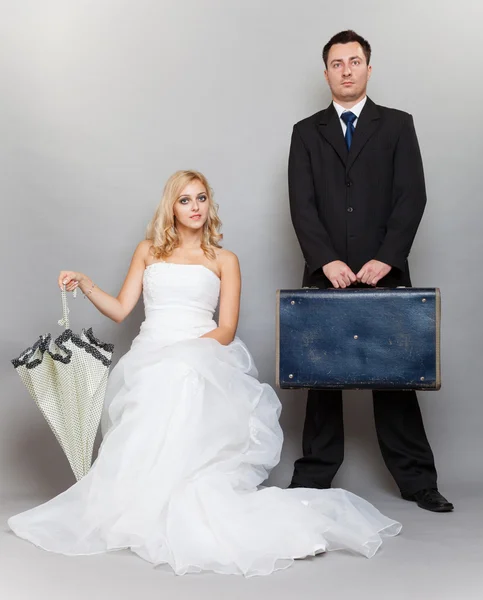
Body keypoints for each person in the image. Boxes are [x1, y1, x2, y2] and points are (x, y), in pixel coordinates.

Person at [8, 170, 401, 577]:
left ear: (209, 204)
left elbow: (226, 328)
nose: (194, 208)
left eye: (201, 199)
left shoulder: (224, 260)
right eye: (184, 200)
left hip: (202, 352)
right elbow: (122, 309)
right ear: (171, 208)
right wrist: (87, 284)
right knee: (153, 399)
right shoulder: (148, 251)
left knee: (180, 377)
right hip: (150, 353)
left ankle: (192, 505)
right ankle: (144, 505)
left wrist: (188, 353)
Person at [287, 30, 453, 513]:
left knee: (396, 377)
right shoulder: (306, 131)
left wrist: (388, 257)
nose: (345, 70)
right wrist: (327, 260)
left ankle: (419, 481)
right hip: (326, 272)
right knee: (321, 378)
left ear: (368, 68)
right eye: (336, 63)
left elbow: (411, 197)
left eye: (354, 61)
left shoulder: (398, 125)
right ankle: (314, 476)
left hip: (386, 268)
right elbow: (302, 204)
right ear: (326, 73)